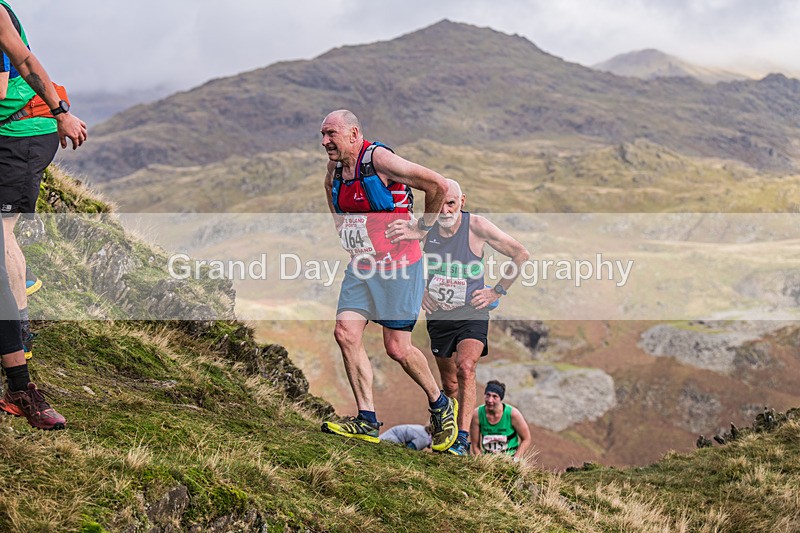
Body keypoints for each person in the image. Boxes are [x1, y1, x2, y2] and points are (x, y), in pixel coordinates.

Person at [319, 109, 459, 452]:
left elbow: (438, 185)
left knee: (397, 348)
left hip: (400, 266)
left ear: (354, 134)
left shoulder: (379, 159)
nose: (325, 141)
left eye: (331, 134)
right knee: (345, 333)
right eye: (322, 134)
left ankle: (440, 404)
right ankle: (366, 419)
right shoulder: (335, 169)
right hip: (362, 266)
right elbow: (328, 189)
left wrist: (420, 228)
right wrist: (341, 226)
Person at [386, 179, 529, 455]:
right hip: (439, 315)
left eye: (451, 204)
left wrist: (496, 291)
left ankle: (462, 440)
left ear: (462, 201)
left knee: (466, 367)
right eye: (440, 204)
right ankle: (447, 436)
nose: (445, 211)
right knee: (449, 384)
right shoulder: (425, 228)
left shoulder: (477, 226)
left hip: (472, 311)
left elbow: (520, 254)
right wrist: (421, 290)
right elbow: (402, 258)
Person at [0, 0, 86, 429]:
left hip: (22, 134)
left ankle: (20, 376)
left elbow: (16, 71)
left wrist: (60, 112)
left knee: (1, 240)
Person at [471, 380, 531, 459]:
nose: (490, 400)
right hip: (488, 459)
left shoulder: (513, 414)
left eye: (495, 396)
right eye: (488, 395)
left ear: (501, 398)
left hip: (510, 458)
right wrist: (481, 461)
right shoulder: (477, 414)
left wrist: (515, 459)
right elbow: (475, 445)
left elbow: (526, 439)